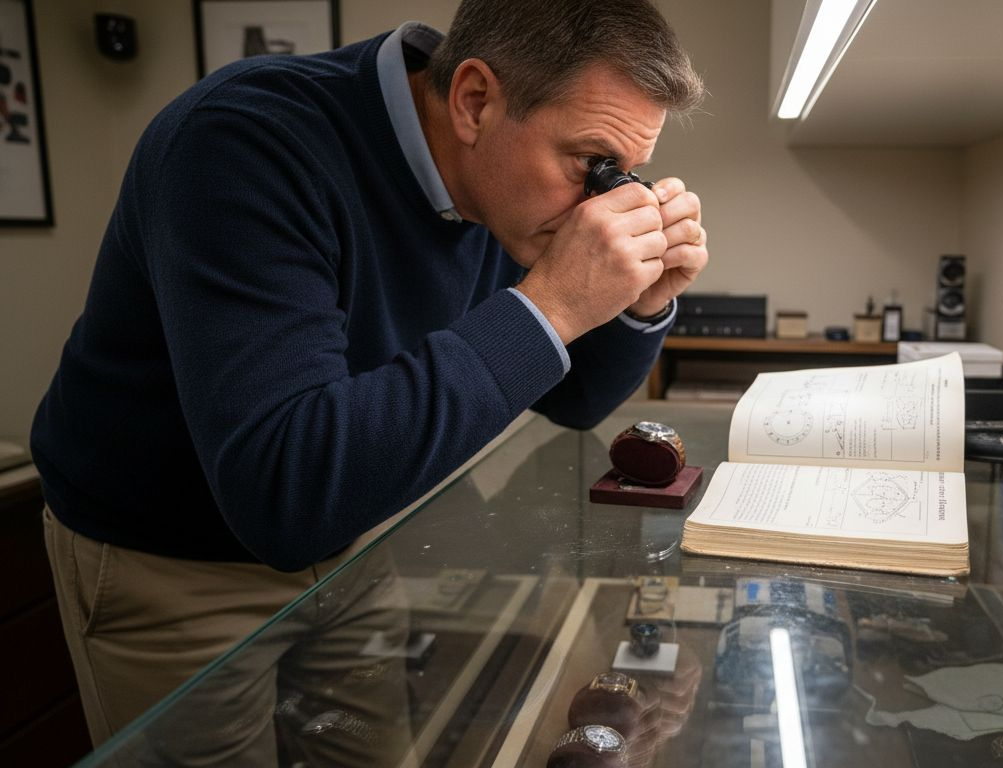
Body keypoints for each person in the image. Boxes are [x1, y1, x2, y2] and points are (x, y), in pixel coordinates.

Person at [31, 0, 707, 749]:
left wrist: (637, 305)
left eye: (625, 174)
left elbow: (577, 396)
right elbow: (285, 493)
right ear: (476, 101)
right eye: (592, 165)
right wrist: (547, 307)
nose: (607, 205)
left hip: (355, 536)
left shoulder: (498, 187)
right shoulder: (243, 142)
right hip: (170, 561)